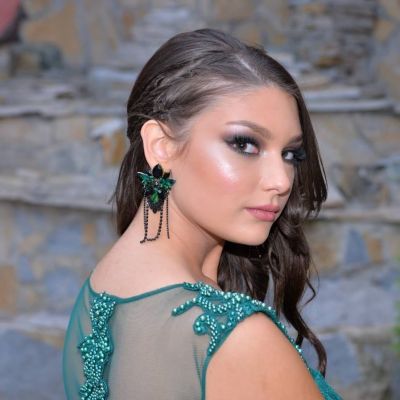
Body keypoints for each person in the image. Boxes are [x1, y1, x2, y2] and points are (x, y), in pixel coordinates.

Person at [62, 28, 343, 399]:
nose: (281, 181)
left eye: (290, 154)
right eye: (245, 144)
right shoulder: (240, 338)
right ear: (161, 146)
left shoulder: (101, 289)